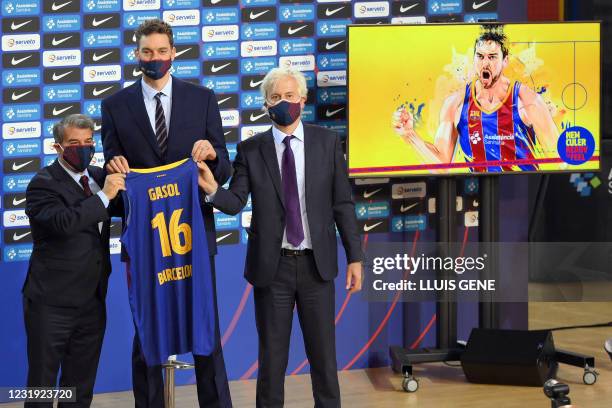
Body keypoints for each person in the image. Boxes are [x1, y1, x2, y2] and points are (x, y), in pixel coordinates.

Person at [197, 67, 364, 408]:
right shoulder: (251, 149)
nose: (283, 102)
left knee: (323, 359)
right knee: (272, 361)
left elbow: (343, 204)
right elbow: (235, 201)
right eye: (275, 97)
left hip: (317, 268)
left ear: (303, 99)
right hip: (272, 272)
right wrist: (213, 189)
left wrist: (356, 257)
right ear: (265, 105)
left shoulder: (327, 142)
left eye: (289, 96)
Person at [100, 19, 232, 408]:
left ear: (173, 53)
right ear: (136, 55)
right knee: (147, 334)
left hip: (194, 237)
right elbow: (112, 170)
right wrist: (114, 167)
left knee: (206, 331)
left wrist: (211, 157)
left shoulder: (203, 98)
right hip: (144, 242)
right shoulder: (114, 106)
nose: (154, 58)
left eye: (161, 51)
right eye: (146, 52)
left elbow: (223, 168)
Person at [23, 114, 125, 407]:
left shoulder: (99, 176)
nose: (83, 148)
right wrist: (104, 196)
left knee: (80, 387)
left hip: (92, 302)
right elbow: (64, 222)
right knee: (42, 386)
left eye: (88, 142)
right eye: (74, 143)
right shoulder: (42, 184)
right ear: (58, 147)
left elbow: (132, 202)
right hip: (51, 304)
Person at [393, 25, 560, 172]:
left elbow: (558, 161)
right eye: (480, 56)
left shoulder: (528, 101)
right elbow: (441, 165)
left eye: (492, 57)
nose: (485, 63)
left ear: (505, 61)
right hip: (478, 194)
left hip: (521, 194)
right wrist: (410, 135)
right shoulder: (455, 104)